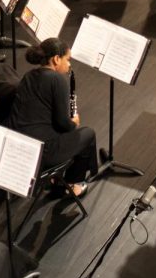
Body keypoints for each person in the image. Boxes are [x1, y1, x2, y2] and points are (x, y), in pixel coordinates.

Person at [9, 39, 98, 194]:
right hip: (43, 151)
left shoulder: (29, 75)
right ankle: (72, 184)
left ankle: (56, 178)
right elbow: (63, 124)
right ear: (56, 59)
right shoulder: (57, 80)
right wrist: (74, 122)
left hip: (19, 145)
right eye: (68, 59)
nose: (69, 64)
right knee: (88, 134)